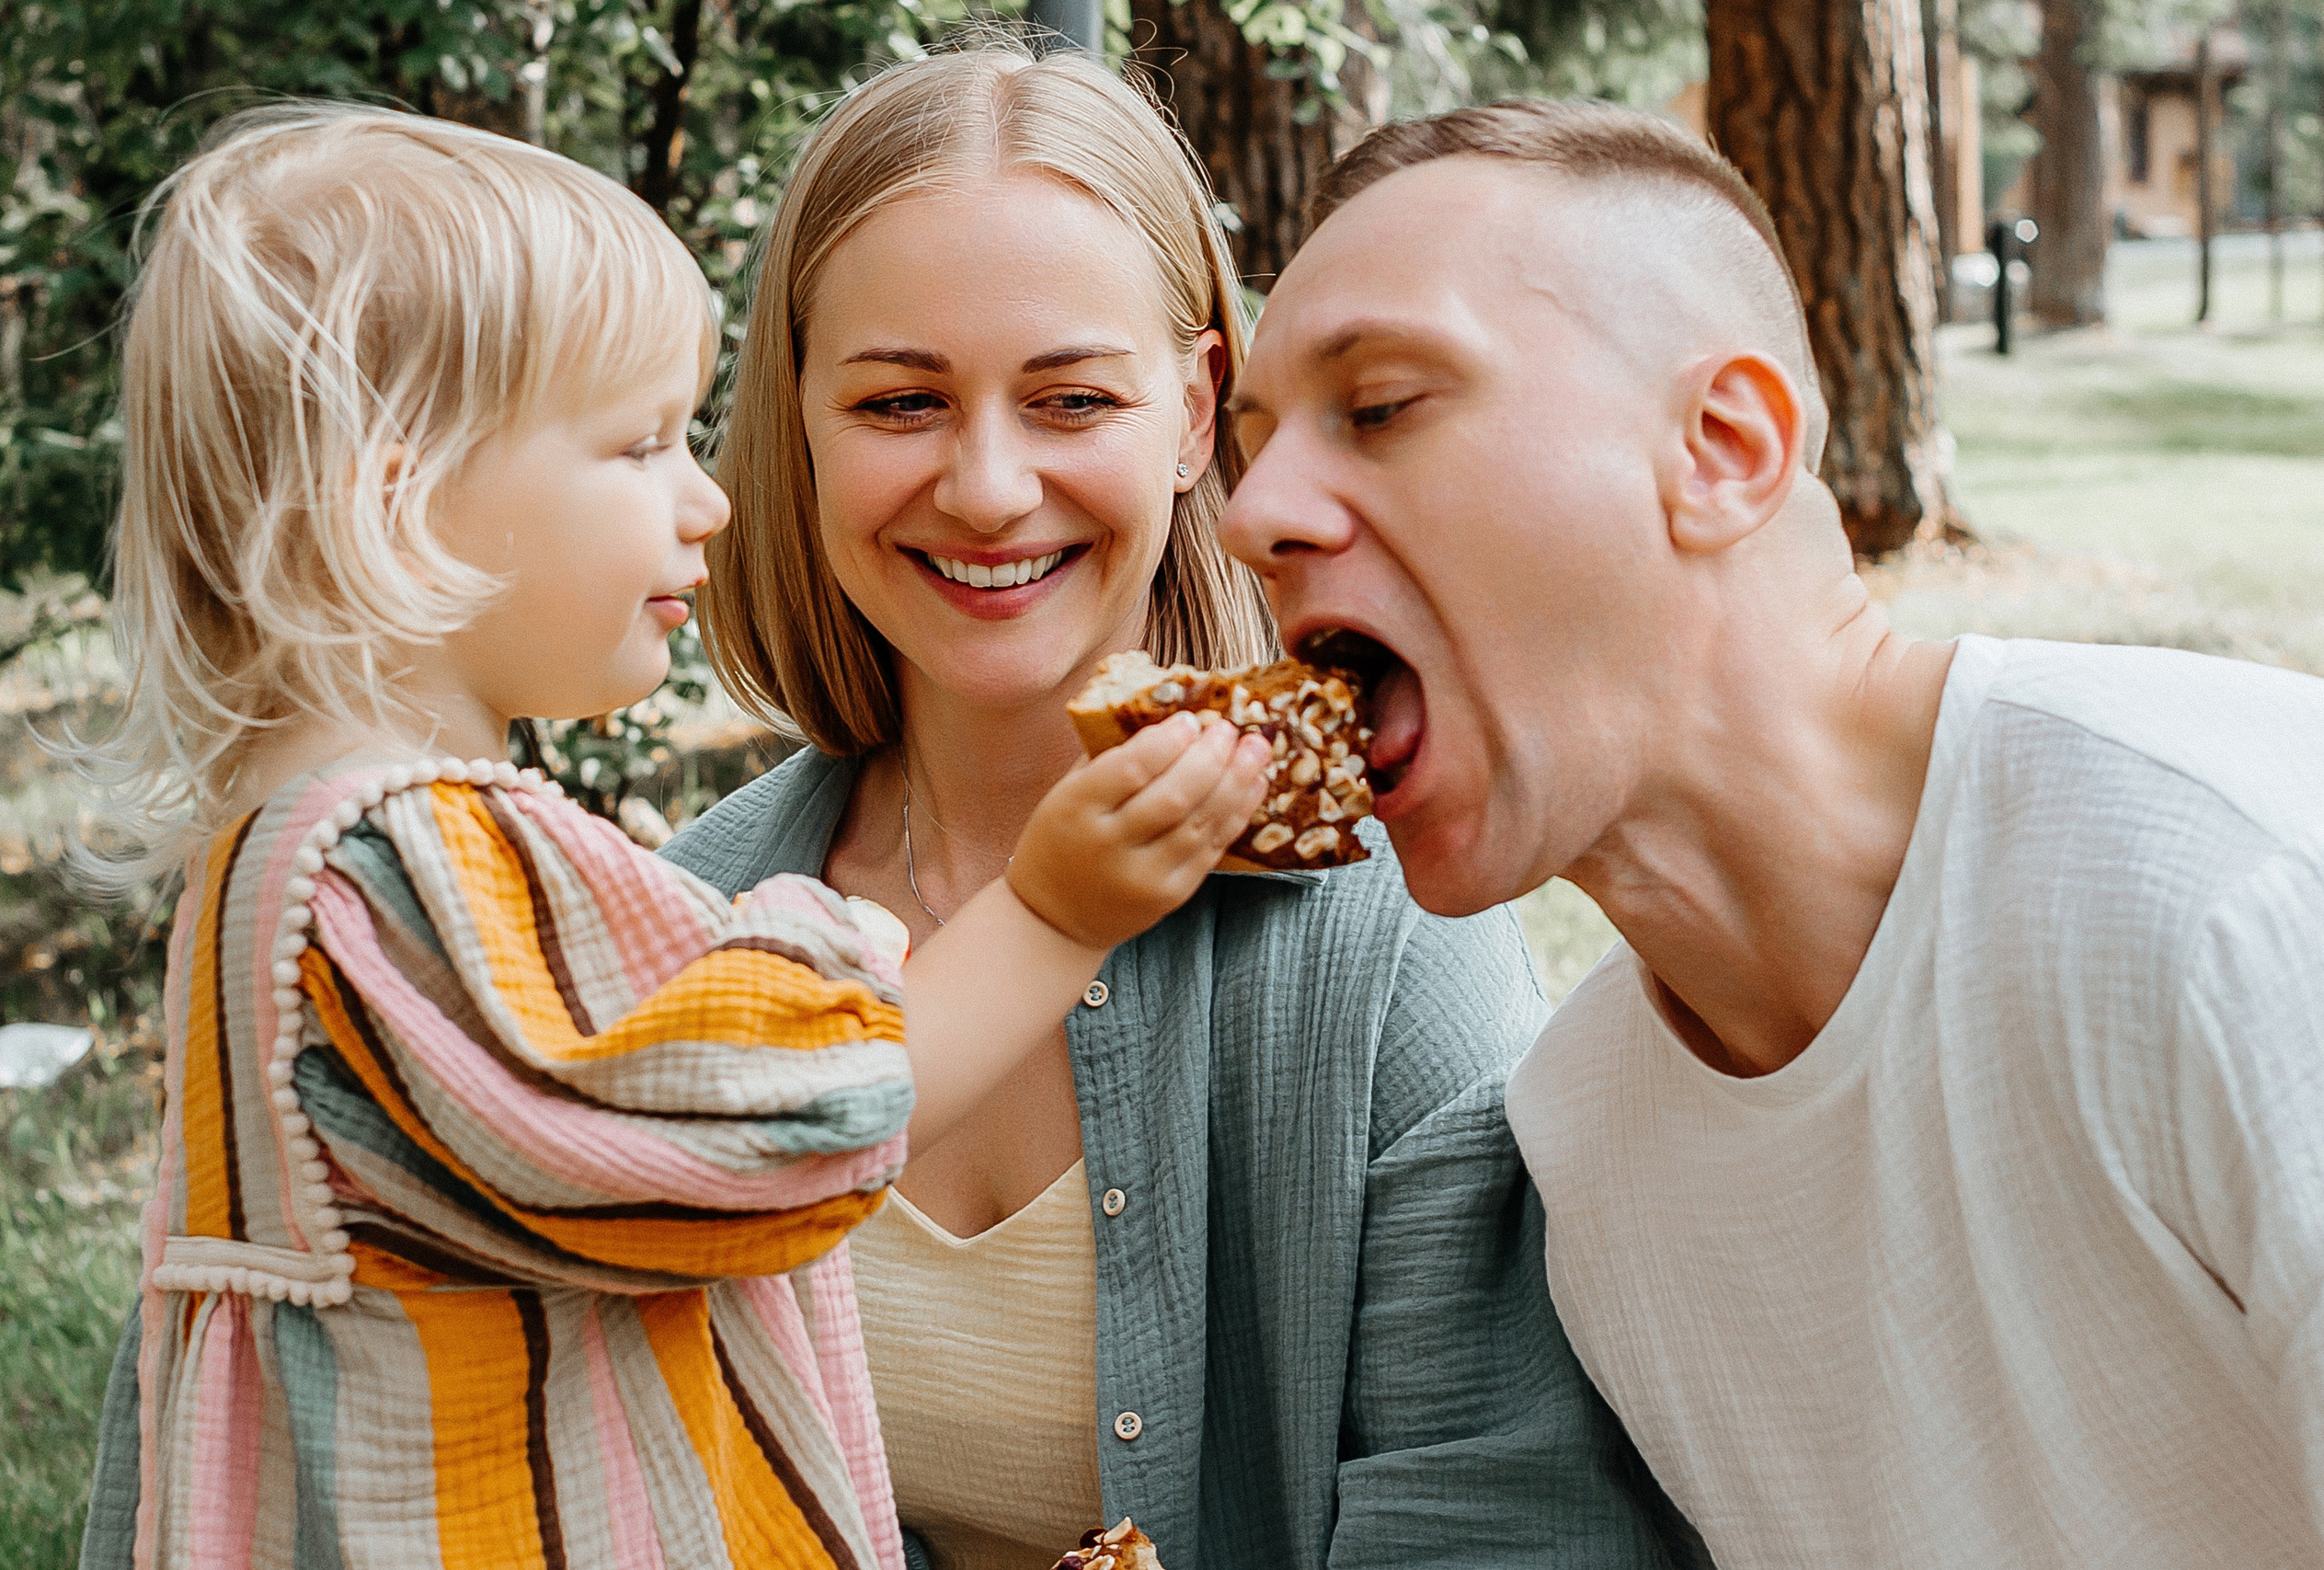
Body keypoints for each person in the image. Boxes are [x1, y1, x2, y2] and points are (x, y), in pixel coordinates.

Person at [74, 101, 1276, 1570]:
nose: (705, 496)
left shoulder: (273, 861)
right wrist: (1051, 915)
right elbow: (766, 1128)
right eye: (639, 446)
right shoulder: (411, 864)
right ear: (403, 501)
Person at [1219, 97, 2324, 1566]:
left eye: (1380, 407)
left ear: (1725, 447)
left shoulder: (2239, 894)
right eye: (1255, 442)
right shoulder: (1587, 1137)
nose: (1253, 515)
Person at [659, 43, 1703, 1570]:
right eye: (899, 403)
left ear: (1199, 410)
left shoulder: (1381, 919)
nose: (992, 489)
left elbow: (1498, 1509)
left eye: (1072, 398)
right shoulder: (688, 925)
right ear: (799, 418)